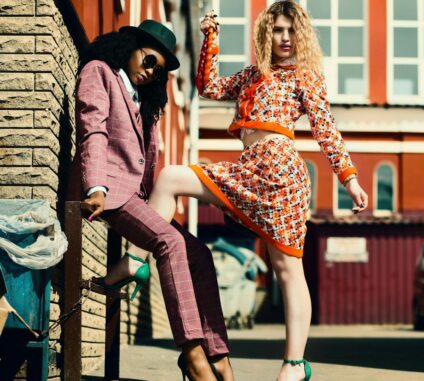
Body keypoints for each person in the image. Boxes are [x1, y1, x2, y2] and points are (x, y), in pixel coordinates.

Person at [101, 1, 369, 380]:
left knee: (287, 268)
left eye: (292, 30)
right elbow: (209, 86)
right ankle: (137, 259)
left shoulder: (305, 76)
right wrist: (211, 36)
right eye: (278, 30)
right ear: (266, 33)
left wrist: (350, 179)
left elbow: (326, 129)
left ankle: (294, 365)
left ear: (302, 34)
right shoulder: (252, 74)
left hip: (282, 175)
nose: (285, 38)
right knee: (171, 177)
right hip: (248, 169)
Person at [68, 20, 232, 381]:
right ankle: (192, 355)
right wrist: (95, 185)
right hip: (108, 191)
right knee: (170, 241)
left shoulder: (144, 100)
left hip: (137, 198)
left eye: (158, 69)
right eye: (149, 60)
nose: (151, 71)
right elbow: (92, 127)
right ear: (131, 46)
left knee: (200, 255)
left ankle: (218, 354)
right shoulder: (101, 73)